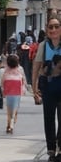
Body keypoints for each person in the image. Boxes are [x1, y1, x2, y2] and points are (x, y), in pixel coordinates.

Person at [32, 15, 61, 162]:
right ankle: (51, 149)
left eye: (56, 26)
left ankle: (60, 147)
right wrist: (34, 87)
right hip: (48, 84)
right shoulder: (43, 45)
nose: (54, 29)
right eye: (51, 27)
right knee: (49, 118)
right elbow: (36, 66)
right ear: (47, 29)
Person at [2, 54, 27, 134]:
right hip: (17, 90)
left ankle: (8, 125)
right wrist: (24, 88)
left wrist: (3, 90)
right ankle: (12, 124)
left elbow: (2, 80)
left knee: (9, 109)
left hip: (8, 90)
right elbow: (24, 79)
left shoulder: (5, 69)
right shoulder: (20, 69)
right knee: (15, 109)